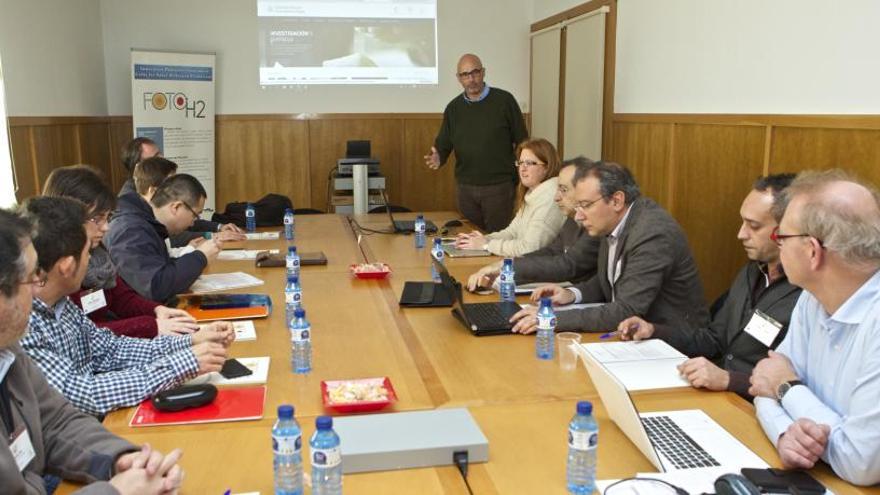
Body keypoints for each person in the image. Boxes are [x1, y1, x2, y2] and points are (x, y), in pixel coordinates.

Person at [0, 207, 186, 494]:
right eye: (31, 278)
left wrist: (121, 459)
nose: (39, 289)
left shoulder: (9, 352)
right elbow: (83, 394)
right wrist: (117, 491)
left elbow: (56, 423)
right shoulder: (21, 335)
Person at [19, 196, 233, 416]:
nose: (90, 260)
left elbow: (111, 349)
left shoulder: (60, 304)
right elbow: (83, 394)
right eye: (87, 253)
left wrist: (189, 342)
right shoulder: (24, 323)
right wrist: (184, 363)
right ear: (66, 266)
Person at [748, 170, 880, 486]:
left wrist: (789, 389)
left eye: (782, 237)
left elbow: (861, 462)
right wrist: (783, 433)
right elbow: (765, 383)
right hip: (823, 478)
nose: (777, 247)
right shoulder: (812, 297)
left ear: (812, 251)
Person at [617, 174, 801, 399]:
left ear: (787, 229)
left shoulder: (808, 293)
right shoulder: (752, 271)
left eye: (754, 226)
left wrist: (729, 380)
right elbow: (713, 340)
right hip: (722, 398)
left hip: (758, 408)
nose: (741, 234)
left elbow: (799, 387)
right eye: (743, 222)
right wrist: (655, 331)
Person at [509, 161, 708, 334]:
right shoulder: (613, 221)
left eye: (585, 205)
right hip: (631, 334)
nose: (578, 216)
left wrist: (550, 317)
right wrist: (571, 294)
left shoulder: (652, 233)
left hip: (672, 342)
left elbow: (627, 309)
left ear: (616, 200)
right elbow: (612, 281)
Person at [42, 165, 200, 338]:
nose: (106, 227)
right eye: (97, 219)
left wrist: (157, 310)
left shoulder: (98, 255)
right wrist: (152, 326)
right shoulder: (57, 271)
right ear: (67, 215)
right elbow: (85, 334)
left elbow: (121, 297)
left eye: (107, 217)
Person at [424, 53, 528, 232]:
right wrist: (438, 157)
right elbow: (444, 143)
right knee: (470, 240)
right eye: (465, 75)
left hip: (499, 187)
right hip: (466, 188)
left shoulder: (504, 101)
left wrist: (524, 176)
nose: (471, 79)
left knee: (498, 239)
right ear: (458, 79)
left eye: (475, 73)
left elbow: (523, 141)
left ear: (483, 72)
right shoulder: (453, 108)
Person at [466, 156, 600, 291]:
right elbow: (552, 251)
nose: (556, 197)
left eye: (564, 190)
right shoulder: (571, 218)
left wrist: (508, 266)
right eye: (521, 163)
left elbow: (568, 265)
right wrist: (507, 264)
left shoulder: (597, 223)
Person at [106, 173, 224, 302]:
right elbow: (156, 287)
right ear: (176, 207)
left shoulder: (146, 223)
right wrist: (200, 257)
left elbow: (160, 267)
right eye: (195, 215)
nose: (193, 223)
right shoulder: (130, 230)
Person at [454, 138, 566, 256]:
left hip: (541, 270)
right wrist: (483, 239)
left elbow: (529, 249)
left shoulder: (550, 197)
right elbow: (512, 233)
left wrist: (486, 246)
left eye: (529, 163)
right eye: (520, 163)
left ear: (547, 167)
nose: (522, 169)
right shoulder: (531, 193)